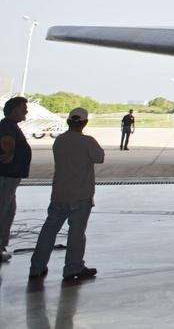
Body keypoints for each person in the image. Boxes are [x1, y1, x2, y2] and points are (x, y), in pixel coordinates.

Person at [29, 108, 104, 282]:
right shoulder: (87, 141)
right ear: (84, 123)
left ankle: (36, 267)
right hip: (81, 194)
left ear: (69, 122)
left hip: (59, 193)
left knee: (48, 231)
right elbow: (99, 157)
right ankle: (73, 267)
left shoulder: (60, 140)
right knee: (76, 233)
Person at [1, 96, 32, 264]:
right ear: (14, 110)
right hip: (6, 177)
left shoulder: (10, 126)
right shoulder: (8, 128)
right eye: (23, 108)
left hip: (10, 178)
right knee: (3, 210)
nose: (26, 112)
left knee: (9, 210)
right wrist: (9, 154)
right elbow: (6, 145)